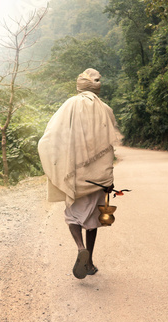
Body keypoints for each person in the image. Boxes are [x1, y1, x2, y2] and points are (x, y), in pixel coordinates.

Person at [38, 68, 118, 279]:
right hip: (99, 176)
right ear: (97, 87)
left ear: (79, 86)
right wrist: (109, 178)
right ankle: (89, 261)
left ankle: (79, 246)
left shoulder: (70, 105)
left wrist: (57, 162)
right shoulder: (106, 110)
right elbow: (110, 146)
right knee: (94, 219)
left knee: (73, 215)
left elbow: (51, 137)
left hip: (75, 175)